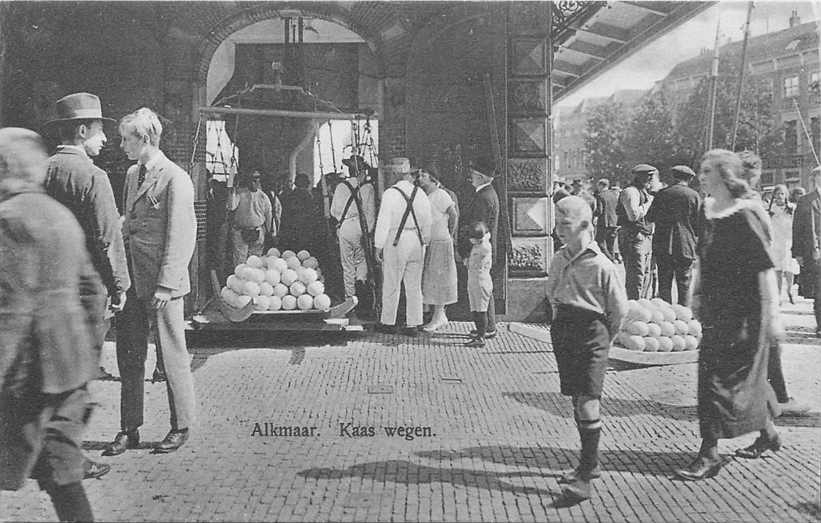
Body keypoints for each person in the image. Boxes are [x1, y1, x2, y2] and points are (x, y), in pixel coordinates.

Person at [0, 128, 98, 521]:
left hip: (27, 375)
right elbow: (93, 292)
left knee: (54, 468)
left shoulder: (10, 219)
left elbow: (14, 309)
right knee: (62, 474)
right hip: (68, 371)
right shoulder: (62, 216)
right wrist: (87, 354)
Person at [675, 149, 782, 481]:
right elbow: (704, 261)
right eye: (701, 170)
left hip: (746, 315)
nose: (701, 175)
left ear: (726, 175)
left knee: (718, 382)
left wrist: (774, 319)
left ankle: (709, 455)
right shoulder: (709, 211)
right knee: (730, 380)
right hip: (718, 311)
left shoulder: (744, 215)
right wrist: (696, 294)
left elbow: (765, 271)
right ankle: (768, 433)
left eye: (708, 171)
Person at [42, 92, 132, 479]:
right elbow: (108, 238)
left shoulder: (42, 171)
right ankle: (68, 458)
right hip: (86, 290)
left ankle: (43, 451)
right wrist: (121, 285)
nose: (105, 140)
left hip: (48, 289)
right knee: (78, 378)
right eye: (99, 131)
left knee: (51, 373)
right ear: (81, 131)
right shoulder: (93, 177)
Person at [104, 108, 197, 456]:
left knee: (172, 354)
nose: (122, 144)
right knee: (130, 355)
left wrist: (166, 285)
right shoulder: (132, 174)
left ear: (144, 139)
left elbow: (182, 236)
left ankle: (181, 425)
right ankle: (130, 428)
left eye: (126, 138)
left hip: (162, 285)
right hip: (132, 280)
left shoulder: (176, 178)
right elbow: (132, 219)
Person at [546, 195, 628, 502]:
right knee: (577, 399)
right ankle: (587, 464)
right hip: (565, 331)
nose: (558, 230)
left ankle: (586, 474)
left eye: (564, 224)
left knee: (588, 401)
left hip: (593, 334)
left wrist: (605, 339)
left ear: (585, 224)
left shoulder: (602, 265)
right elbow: (551, 292)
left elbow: (618, 310)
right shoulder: (558, 258)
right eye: (556, 223)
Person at [373, 158, 432, 336]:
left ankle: (388, 322)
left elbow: (383, 222)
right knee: (414, 285)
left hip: (396, 241)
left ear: (394, 175)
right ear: (409, 175)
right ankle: (413, 323)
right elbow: (428, 222)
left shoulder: (390, 194)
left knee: (392, 282)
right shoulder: (420, 194)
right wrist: (425, 242)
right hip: (417, 240)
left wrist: (378, 246)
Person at [646, 165, 701, 306]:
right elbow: (699, 224)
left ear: (673, 177)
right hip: (685, 245)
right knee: (684, 284)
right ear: (689, 179)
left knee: (664, 283)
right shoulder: (694, 196)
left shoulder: (662, 194)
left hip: (663, 244)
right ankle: (684, 316)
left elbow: (650, 217)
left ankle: (667, 317)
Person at [458, 156, 500, 339]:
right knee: (485, 288)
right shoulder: (488, 194)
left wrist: (466, 251)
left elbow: (477, 229)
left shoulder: (483, 197)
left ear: (482, 177)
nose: (471, 178)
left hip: (479, 250)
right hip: (485, 248)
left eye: (474, 175)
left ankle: (487, 327)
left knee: (481, 289)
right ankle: (488, 325)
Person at [417, 166, 458, 332]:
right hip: (431, 242)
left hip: (441, 242)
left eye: (423, 174)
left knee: (440, 279)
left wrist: (449, 233)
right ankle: (436, 315)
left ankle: (439, 316)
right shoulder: (428, 195)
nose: (420, 178)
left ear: (433, 178)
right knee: (431, 279)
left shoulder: (441, 195)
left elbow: (453, 214)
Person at [330, 155, 376, 302]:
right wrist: (367, 232)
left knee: (347, 263)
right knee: (361, 258)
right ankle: (361, 280)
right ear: (361, 172)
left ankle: (350, 296)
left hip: (344, 226)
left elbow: (334, 211)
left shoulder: (340, 186)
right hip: (359, 226)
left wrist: (342, 220)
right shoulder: (368, 188)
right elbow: (370, 212)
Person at [617, 164, 657, 300]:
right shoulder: (630, 191)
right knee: (636, 275)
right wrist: (649, 203)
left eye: (652, 176)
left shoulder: (644, 192)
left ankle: (643, 304)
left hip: (645, 236)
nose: (651, 179)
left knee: (646, 274)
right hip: (634, 236)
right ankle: (635, 305)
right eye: (648, 176)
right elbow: (633, 215)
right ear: (639, 177)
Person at [793, 166, 821, 337]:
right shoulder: (805, 201)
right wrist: (797, 253)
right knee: (819, 291)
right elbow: (797, 229)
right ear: (814, 179)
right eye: (818, 176)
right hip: (813, 252)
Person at [227, 169, 273, 267]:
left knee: (255, 262)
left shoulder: (263, 196)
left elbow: (268, 214)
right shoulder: (239, 194)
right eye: (253, 179)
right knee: (240, 262)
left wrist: (270, 232)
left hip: (257, 232)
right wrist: (232, 191)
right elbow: (231, 207)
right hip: (240, 232)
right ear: (248, 180)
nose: (256, 182)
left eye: (258, 179)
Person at [768, 185, 799, 304]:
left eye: (782, 194)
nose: (779, 196)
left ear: (785, 195)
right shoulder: (771, 209)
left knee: (789, 268)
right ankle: (778, 295)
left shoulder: (792, 208)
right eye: (777, 194)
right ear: (774, 196)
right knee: (778, 269)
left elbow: (796, 225)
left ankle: (790, 290)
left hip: (788, 241)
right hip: (775, 242)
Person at [465, 221, 494, 347]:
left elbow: (472, 263)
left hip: (480, 281)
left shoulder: (483, 247)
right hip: (474, 279)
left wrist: (467, 261)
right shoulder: (480, 245)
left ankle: (481, 337)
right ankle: (479, 332)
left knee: (481, 310)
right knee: (475, 309)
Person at [279, 172, 319, 253]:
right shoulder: (308, 196)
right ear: (307, 184)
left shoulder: (289, 195)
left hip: (290, 232)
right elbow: (312, 214)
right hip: (305, 233)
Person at [593, 178, 620, 261]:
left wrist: (593, 214)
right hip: (614, 223)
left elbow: (599, 211)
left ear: (601, 185)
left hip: (604, 223)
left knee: (599, 243)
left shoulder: (600, 196)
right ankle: (611, 263)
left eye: (598, 185)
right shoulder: (614, 195)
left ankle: (610, 259)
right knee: (610, 246)